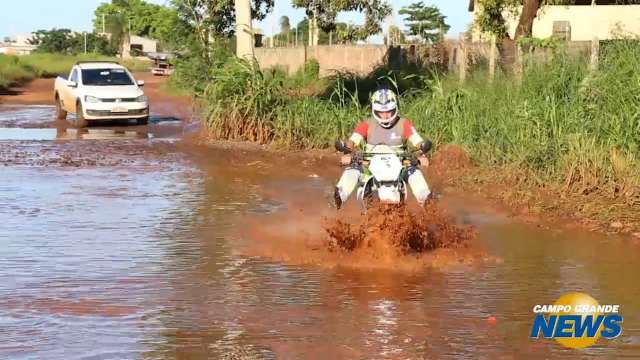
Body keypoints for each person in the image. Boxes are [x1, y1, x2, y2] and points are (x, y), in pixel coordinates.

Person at [334, 88, 432, 209]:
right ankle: (339, 197)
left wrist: (422, 152)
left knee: (413, 171)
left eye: (389, 112)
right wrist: (347, 151)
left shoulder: (404, 123)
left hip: (400, 163)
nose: (385, 116)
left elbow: (418, 141)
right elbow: (352, 141)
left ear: (395, 108)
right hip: (369, 163)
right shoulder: (367, 124)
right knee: (353, 168)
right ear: (375, 110)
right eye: (381, 112)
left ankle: (426, 200)